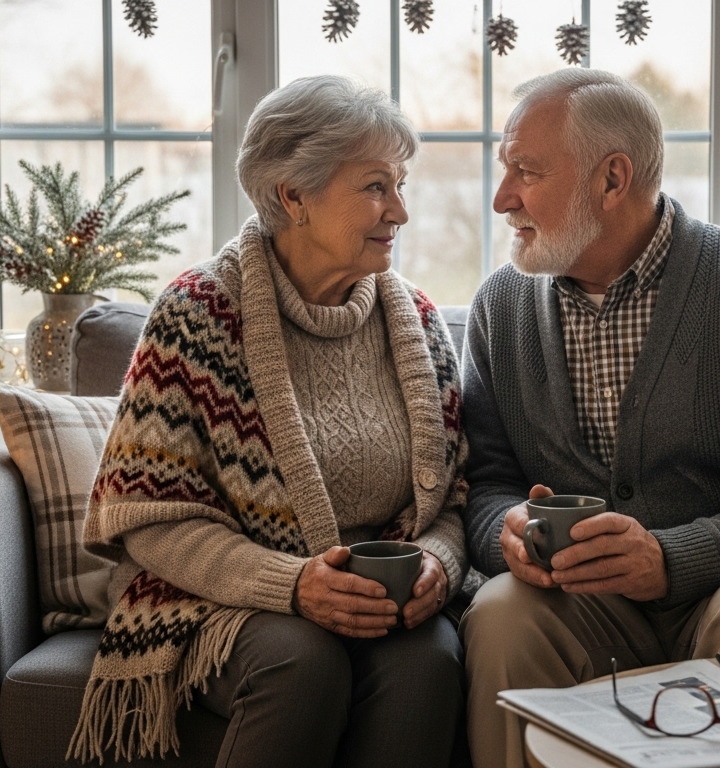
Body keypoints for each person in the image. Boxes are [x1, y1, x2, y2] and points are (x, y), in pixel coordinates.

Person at [458, 68, 720, 767]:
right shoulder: (502, 305)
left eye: (526, 171)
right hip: (580, 601)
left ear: (612, 179)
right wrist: (508, 533)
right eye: (505, 169)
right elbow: (485, 483)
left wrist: (673, 559)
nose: (502, 198)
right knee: (501, 613)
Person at [67, 75, 469, 768]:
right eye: (376, 186)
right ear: (293, 196)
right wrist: (293, 585)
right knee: (302, 660)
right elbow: (151, 519)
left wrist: (439, 559)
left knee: (428, 660)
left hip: (379, 595)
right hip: (218, 595)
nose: (400, 211)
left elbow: (452, 499)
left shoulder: (418, 322)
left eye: (401, 185)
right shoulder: (197, 316)